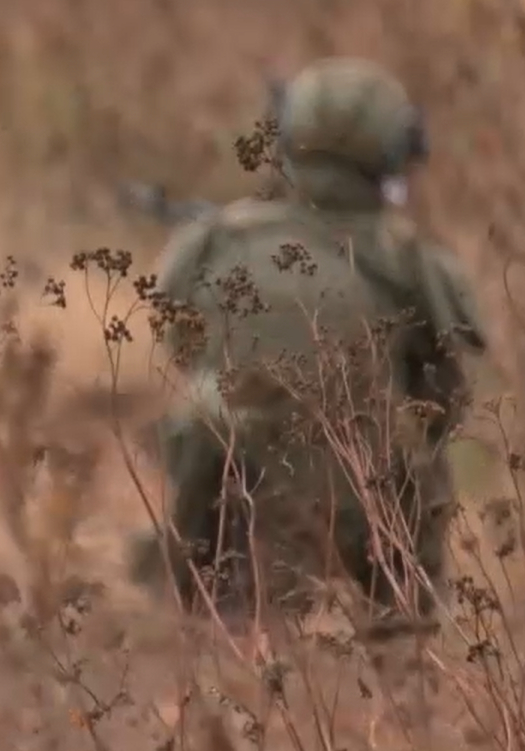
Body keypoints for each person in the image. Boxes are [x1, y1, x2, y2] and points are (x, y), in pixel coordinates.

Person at [130, 57, 486, 625]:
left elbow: (179, 347)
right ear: (398, 153)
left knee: (202, 411)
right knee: (418, 456)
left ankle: (214, 617)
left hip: (228, 498)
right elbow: (444, 400)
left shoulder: (213, 241)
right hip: (366, 512)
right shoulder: (414, 262)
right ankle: (402, 636)